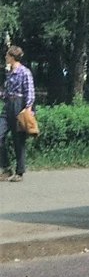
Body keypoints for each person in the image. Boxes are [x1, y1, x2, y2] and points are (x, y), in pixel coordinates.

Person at [1, 46, 36, 182]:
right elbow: (7, 92)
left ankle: (19, 172)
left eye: (7, 55)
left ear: (12, 57)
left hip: (19, 106)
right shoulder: (9, 72)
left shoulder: (24, 72)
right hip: (8, 106)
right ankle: (5, 167)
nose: (5, 57)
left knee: (18, 140)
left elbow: (30, 91)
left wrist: (28, 108)